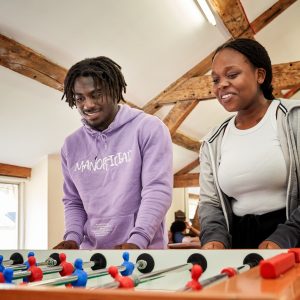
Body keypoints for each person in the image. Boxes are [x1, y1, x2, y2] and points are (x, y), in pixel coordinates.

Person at [53, 56, 173, 250]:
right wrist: (72, 238)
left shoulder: (148, 128)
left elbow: (157, 190)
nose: (88, 105)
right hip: (91, 255)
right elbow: (73, 201)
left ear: (114, 91)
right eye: (80, 98)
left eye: (96, 94)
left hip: (141, 252)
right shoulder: (71, 145)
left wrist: (138, 240)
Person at [199, 38, 300, 250]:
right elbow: (211, 203)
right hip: (239, 243)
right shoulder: (213, 141)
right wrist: (214, 237)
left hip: (292, 239)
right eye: (215, 80)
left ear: (260, 75)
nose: (222, 85)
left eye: (232, 75)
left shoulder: (294, 118)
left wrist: (286, 235)